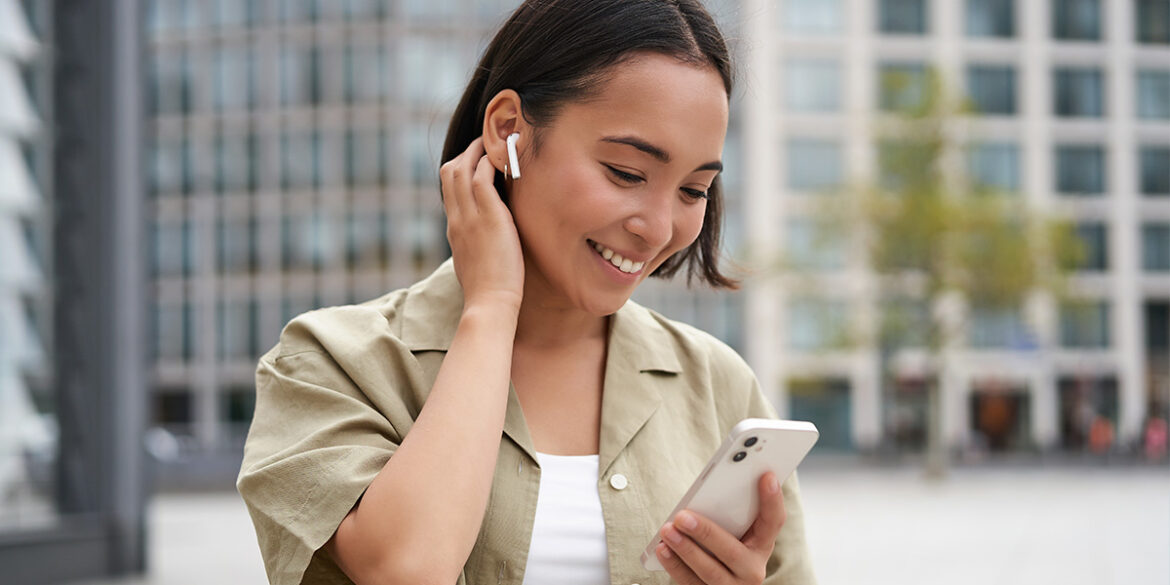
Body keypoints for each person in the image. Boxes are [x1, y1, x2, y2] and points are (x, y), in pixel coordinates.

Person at [237, 1, 817, 584]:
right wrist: (491, 306)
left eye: (694, 190)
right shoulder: (331, 364)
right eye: (626, 172)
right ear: (508, 130)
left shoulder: (719, 385)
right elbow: (406, 570)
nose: (660, 227)